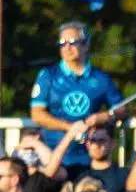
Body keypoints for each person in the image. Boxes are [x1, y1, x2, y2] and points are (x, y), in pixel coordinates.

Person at [29, 21, 120, 165]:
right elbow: (37, 114)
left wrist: (107, 116)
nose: (67, 48)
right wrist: (69, 127)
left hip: (90, 158)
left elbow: (122, 109)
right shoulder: (48, 76)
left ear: (86, 45)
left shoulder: (101, 78)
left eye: (72, 42)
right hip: (54, 157)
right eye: (62, 43)